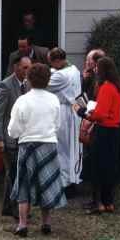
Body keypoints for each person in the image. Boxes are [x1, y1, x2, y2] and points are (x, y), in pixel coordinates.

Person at [8, 62, 66, 236]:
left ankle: (23, 225)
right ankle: (46, 223)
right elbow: (58, 125)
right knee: (46, 183)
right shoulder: (54, 99)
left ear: (28, 79)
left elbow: (13, 130)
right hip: (48, 144)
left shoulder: (22, 100)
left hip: (27, 145)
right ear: (48, 80)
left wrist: (17, 134)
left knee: (24, 185)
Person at [74, 56, 120, 214]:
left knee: (97, 167)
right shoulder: (118, 87)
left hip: (103, 131)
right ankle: (109, 202)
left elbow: (100, 114)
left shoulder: (106, 87)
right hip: (115, 130)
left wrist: (82, 112)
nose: (95, 70)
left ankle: (98, 203)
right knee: (110, 167)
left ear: (102, 70)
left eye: (97, 68)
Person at [0, 54, 32, 217]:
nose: (28, 71)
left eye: (30, 67)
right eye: (25, 68)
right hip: (9, 139)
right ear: (16, 67)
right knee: (15, 173)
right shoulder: (5, 86)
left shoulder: (29, 85)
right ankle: (16, 208)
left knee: (14, 172)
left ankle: (8, 206)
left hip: (24, 137)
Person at [47, 47, 82, 188]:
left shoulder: (60, 76)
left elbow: (44, 84)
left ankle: (65, 182)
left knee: (62, 148)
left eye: (51, 62)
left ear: (58, 61)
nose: (50, 66)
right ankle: (73, 178)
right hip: (74, 110)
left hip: (63, 112)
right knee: (73, 148)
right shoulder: (74, 69)